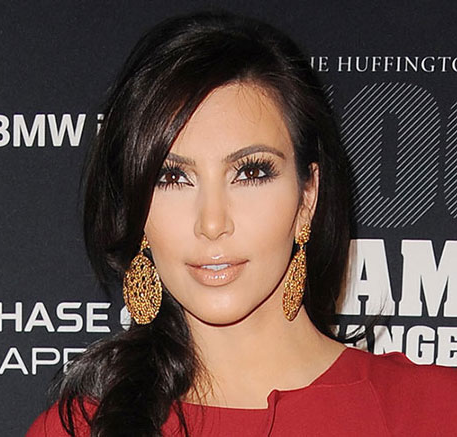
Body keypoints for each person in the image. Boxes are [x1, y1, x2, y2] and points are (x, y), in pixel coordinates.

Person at [27, 10, 457, 437]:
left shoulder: (436, 411)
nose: (212, 222)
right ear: (137, 209)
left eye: (250, 172)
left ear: (307, 195)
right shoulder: (78, 430)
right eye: (172, 177)